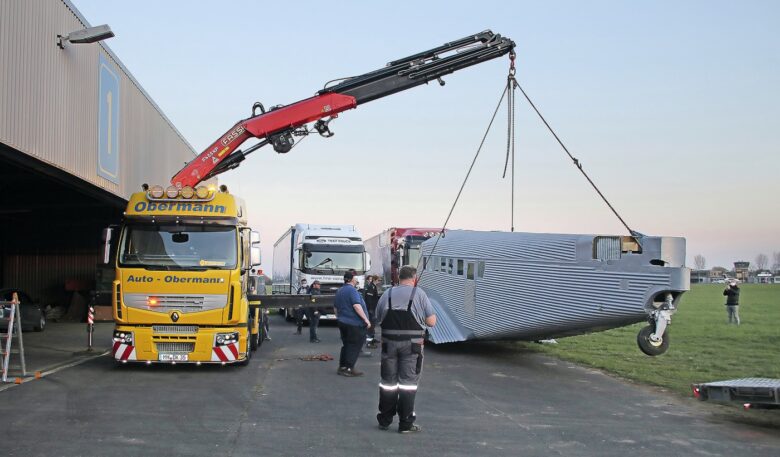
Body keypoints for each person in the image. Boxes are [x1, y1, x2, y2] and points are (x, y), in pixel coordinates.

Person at [375, 265, 436, 434]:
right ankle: (405, 423)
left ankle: (385, 420)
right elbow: (431, 322)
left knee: (388, 384)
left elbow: (379, 318)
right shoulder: (419, 294)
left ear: (398, 277)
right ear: (414, 278)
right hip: (412, 346)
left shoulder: (387, 294)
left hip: (389, 345)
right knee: (408, 385)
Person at [334, 270, 371, 377]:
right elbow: (356, 306)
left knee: (346, 345)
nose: (357, 280)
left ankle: (342, 367)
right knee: (354, 346)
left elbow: (335, 308)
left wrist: (339, 318)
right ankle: (349, 368)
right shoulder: (352, 291)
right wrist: (366, 320)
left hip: (343, 322)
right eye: (355, 278)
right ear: (351, 279)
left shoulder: (340, 290)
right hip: (354, 324)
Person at [363, 275, 380, 349]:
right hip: (371, 309)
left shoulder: (373, 286)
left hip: (373, 309)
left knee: (373, 325)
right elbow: (369, 298)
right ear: (375, 280)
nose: (379, 282)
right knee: (370, 326)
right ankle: (369, 342)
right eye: (379, 280)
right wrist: (370, 309)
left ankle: (372, 339)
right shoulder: (371, 287)